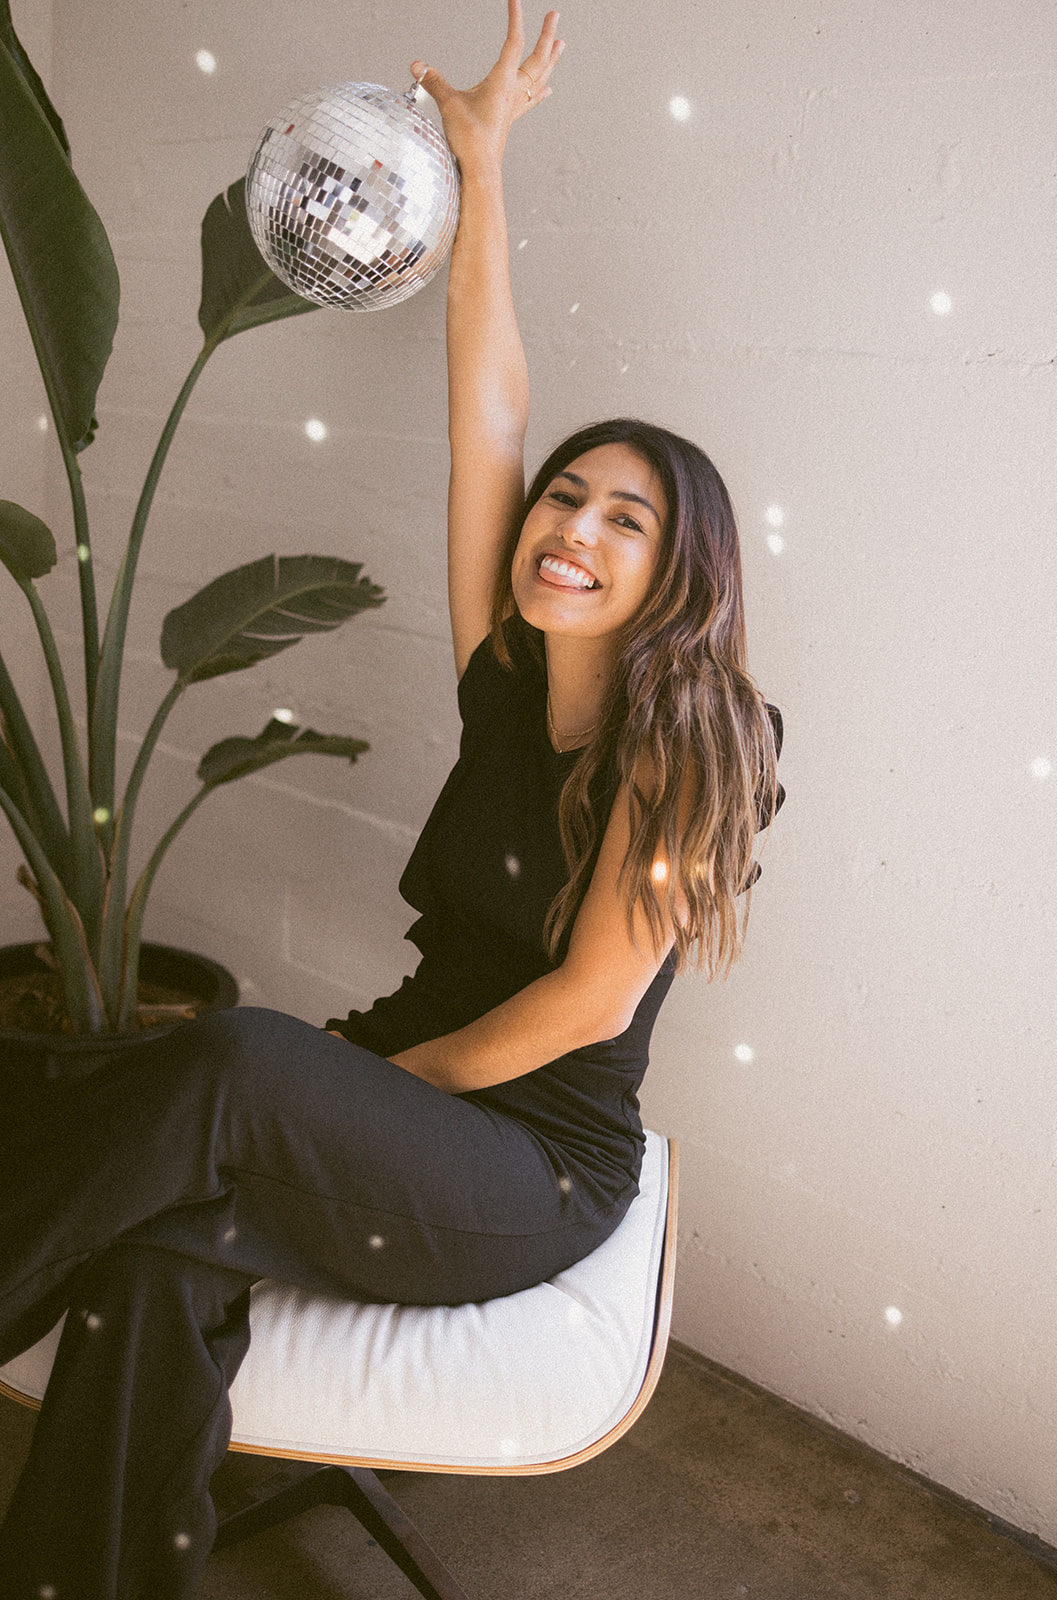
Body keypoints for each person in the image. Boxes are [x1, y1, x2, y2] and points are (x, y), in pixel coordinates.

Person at [0, 5, 781, 1596]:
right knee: (150, 1263)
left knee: (218, 1058)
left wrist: (375, 1079)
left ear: (673, 573)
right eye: (568, 495)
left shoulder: (696, 738)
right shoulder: (507, 666)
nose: (571, 523)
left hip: (527, 1172)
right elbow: (487, 405)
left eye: (624, 519)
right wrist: (484, 167)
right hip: (411, 1107)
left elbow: (579, 1008)